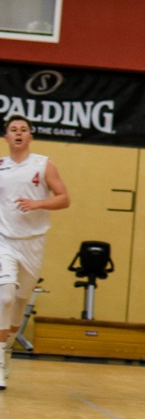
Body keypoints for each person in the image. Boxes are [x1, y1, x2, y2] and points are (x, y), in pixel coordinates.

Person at [0, 116, 70, 391]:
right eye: (13, 130)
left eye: (23, 130)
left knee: (19, 300)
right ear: (6, 137)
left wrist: (38, 203)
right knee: (4, 294)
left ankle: (7, 350)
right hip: (3, 240)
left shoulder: (43, 165)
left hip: (33, 243)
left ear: (30, 136)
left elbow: (64, 198)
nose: (18, 133)